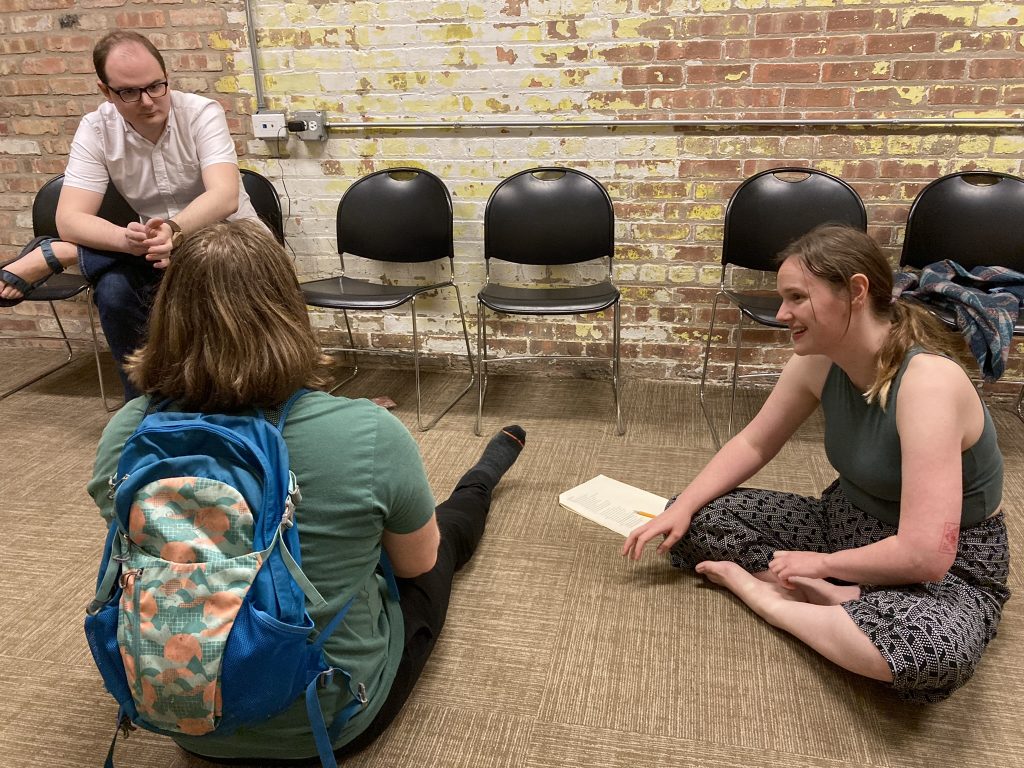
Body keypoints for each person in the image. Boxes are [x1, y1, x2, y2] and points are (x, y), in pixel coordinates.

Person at [86, 219, 526, 762]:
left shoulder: (129, 431)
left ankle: (481, 477)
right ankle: (482, 478)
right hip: (329, 722)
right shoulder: (369, 432)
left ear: (167, 315)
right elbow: (414, 566)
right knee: (440, 548)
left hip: (183, 715)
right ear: (291, 310)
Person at [623, 224, 1009, 703]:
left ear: (855, 291)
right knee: (696, 515)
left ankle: (773, 598)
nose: (783, 313)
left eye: (797, 298)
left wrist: (821, 563)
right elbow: (753, 444)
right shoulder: (818, 359)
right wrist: (681, 508)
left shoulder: (929, 384)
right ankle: (837, 600)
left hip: (946, 567)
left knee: (929, 650)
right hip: (844, 521)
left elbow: (926, 555)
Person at [1, 30, 261, 400]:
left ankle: (64, 254)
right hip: (154, 251)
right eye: (129, 92)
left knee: (182, 260)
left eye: (157, 86)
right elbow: (70, 220)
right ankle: (144, 407)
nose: (148, 100)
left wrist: (174, 228)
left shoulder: (202, 113)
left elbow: (224, 196)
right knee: (114, 288)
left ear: (166, 76)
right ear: (105, 91)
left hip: (229, 243)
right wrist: (127, 239)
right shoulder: (96, 128)